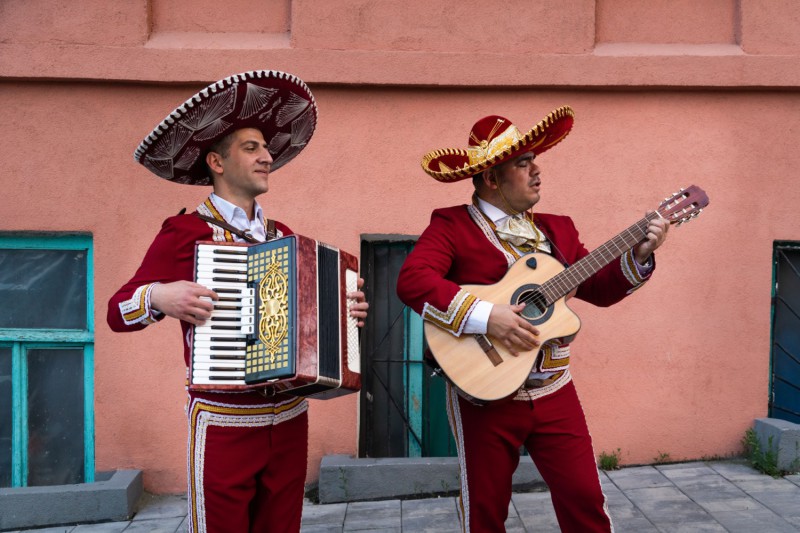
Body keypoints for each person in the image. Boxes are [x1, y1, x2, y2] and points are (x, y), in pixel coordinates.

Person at [107, 70, 368, 533]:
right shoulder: (184, 233)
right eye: (252, 148)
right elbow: (117, 311)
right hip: (224, 421)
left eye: (267, 149)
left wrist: (346, 317)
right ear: (217, 162)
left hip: (290, 417)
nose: (268, 157)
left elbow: (308, 322)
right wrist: (160, 295)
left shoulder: (284, 237)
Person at [396, 106, 669, 532]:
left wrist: (638, 256)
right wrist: (488, 317)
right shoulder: (451, 226)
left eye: (534, 162)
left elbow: (598, 288)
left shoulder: (558, 230)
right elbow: (413, 281)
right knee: (485, 511)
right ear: (491, 178)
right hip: (484, 392)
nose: (537, 171)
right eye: (523, 164)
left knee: (584, 498)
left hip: (554, 388)